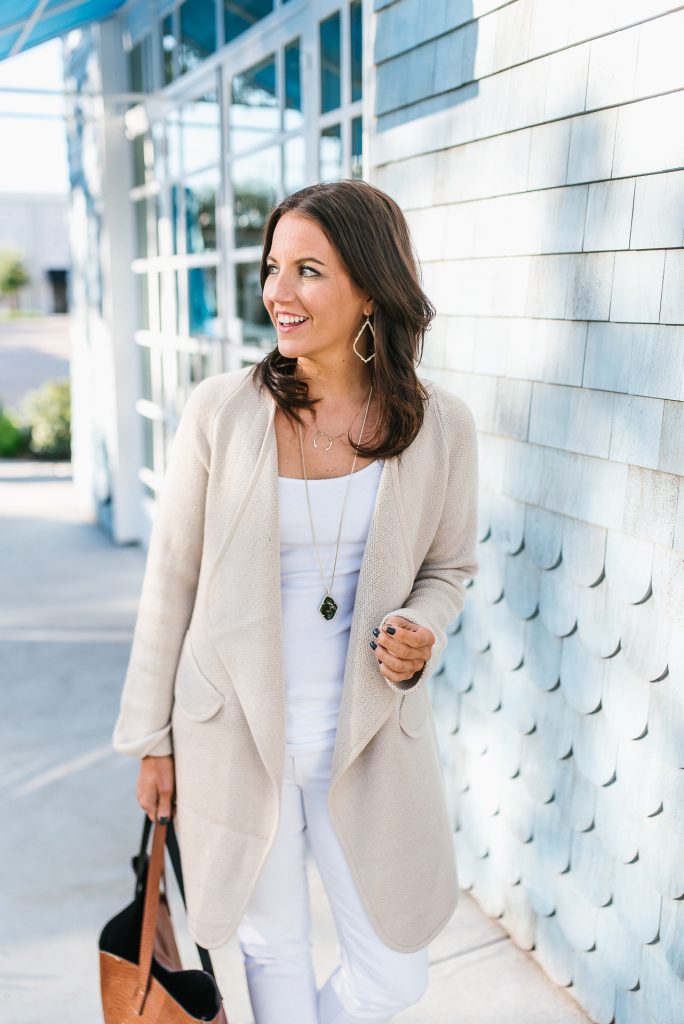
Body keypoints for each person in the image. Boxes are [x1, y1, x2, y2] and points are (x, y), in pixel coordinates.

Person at [112, 179, 480, 1024]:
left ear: (370, 288)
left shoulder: (441, 426)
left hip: (369, 740)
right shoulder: (220, 413)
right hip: (236, 738)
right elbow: (170, 582)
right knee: (270, 951)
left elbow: (450, 566)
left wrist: (423, 625)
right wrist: (152, 740)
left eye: (308, 269)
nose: (278, 291)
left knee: (394, 973)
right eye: (275, 267)